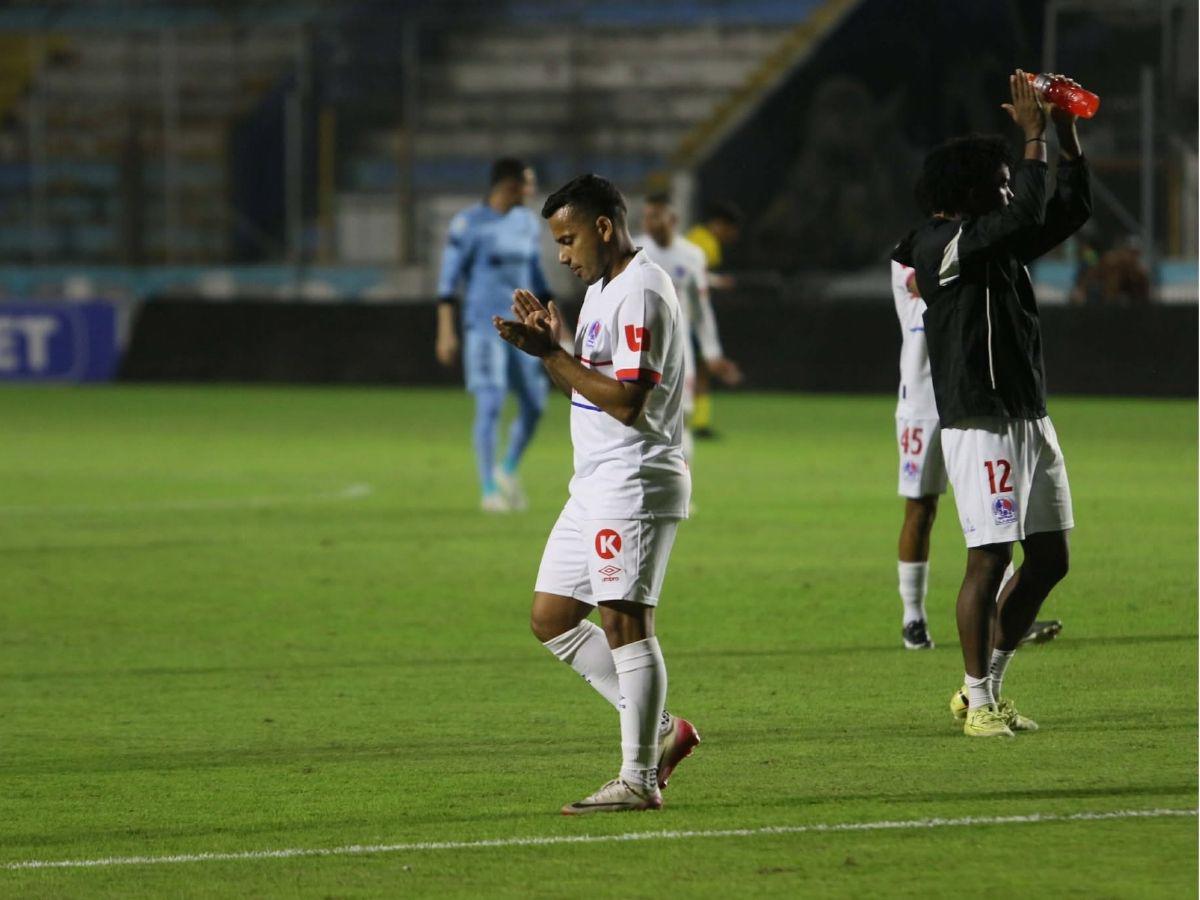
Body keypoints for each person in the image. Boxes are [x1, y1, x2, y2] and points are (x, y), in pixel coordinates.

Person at [892, 70, 1090, 738]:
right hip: (978, 420)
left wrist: (1062, 138)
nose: (1009, 185)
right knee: (990, 558)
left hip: (1028, 414)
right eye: (1000, 177)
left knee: (1051, 558)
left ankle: (986, 689)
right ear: (967, 190)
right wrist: (1031, 141)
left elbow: (1065, 210)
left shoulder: (994, 240)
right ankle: (977, 701)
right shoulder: (936, 245)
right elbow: (1027, 209)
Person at [493, 174, 700, 814]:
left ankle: (638, 777)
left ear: (604, 227)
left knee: (624, 622)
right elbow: (587, 391)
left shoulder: (640, 291)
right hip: (594, 482)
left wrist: (551, 356)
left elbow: (630, 403)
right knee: (552, 618)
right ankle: (664, 728)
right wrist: (554, 353)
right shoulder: (603, 290)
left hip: (634, 477)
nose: (563, 255)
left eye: (568, 239)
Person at [891, 260, 1063, 650]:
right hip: (922, 404)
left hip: (972, 401)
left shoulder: (975, 242)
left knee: (997, 515)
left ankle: (1010, 616)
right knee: (921, 507)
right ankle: (913, 617)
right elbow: (923, 281)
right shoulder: (912, 250)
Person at [436, 158, 553, 512]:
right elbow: (447, 283)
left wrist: (551, 320)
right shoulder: (468, 224)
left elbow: (536, 275)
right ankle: (489, 490)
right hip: (484, 328)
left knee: (535, 403)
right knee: (491, 404)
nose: (532, 191)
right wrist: (446, 332)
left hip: (524, 330)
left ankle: (508, 468)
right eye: (528, 184)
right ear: (509, 186)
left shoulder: (527, 223)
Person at [636, 192, 742, 468]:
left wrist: (712, 352)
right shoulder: (633, 252)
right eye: (646, 216)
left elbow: (702, 310)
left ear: (673, 219)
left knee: (680, 420)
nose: (649, 222)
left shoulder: (692, 256)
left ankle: (679, 492)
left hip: (678, 352)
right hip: (638, 351)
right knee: (637, 422)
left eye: (655, 215)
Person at [685, 201, 743, 438]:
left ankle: (698, 422)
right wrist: (719, 281)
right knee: (699, 367)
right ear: (720, 225)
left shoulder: (695, 237)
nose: (733, 236)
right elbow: (692, 277)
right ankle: (694, 422)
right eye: (731, 229)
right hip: (688, 316)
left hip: (686, 314)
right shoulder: (705, 244)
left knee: (699, 368)